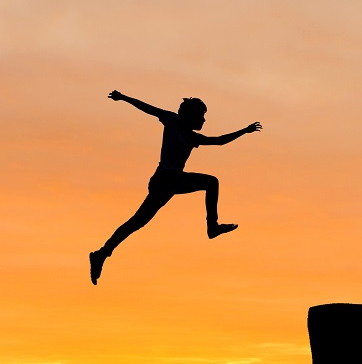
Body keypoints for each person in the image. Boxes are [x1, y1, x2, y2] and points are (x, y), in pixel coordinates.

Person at [90, 89, 262, 285]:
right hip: (165, 179)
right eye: (202, 116)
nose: (204, 121)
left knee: (137, 222)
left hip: (171, 183)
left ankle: (101, 254)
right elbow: (147, 108)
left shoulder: (192, 138)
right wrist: (123, 97)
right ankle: (212, 227)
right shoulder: (172, 120)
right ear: (191, 115)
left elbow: (219, 141)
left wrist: (244, 131)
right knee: (210, 182)